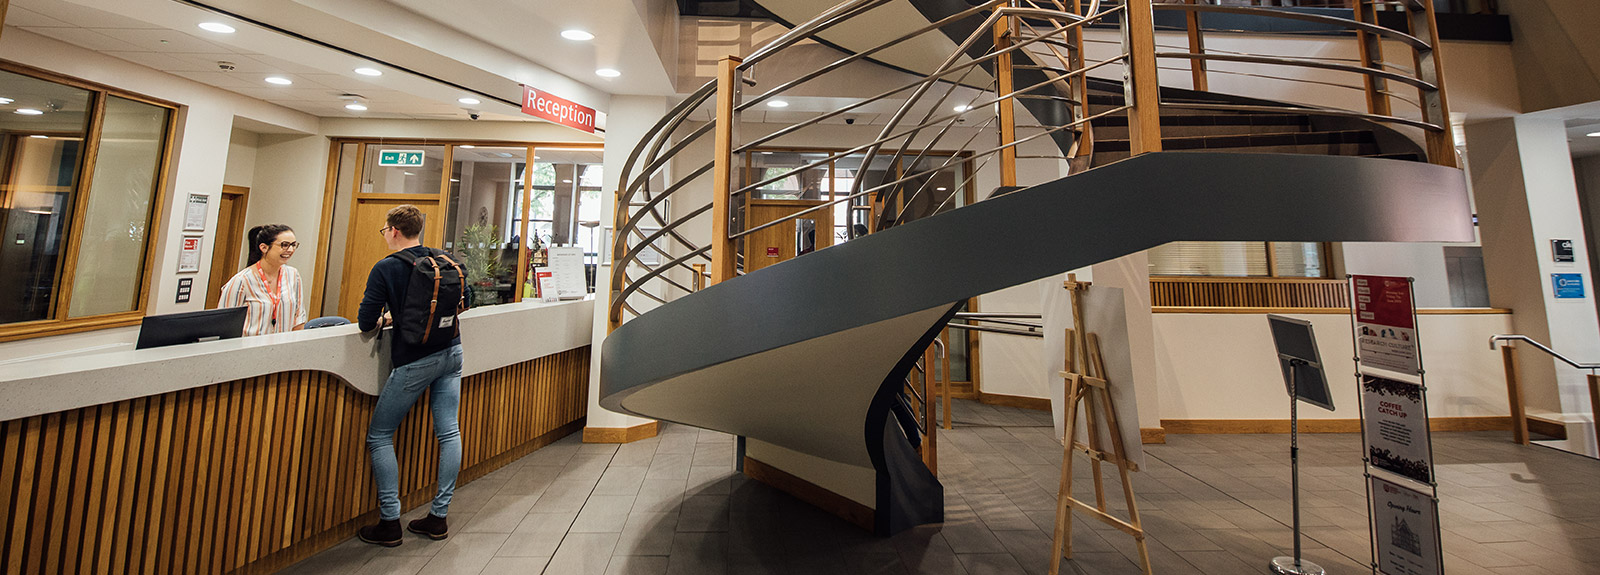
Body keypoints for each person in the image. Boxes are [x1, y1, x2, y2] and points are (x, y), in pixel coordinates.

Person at [357, 205, 464, 546]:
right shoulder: (442, 259)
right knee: (449, 433)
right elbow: (466, 299)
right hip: (452, 351)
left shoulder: (386, 268)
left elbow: (364, 320)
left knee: (380, 436)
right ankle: (438, 516)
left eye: (385, 230)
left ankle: (390, 522)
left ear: (393, 231)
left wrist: (390, 319)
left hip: (415, 359)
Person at [218, 224, 307, 335]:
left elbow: (298, 317)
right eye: (284, 245)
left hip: (283, 347)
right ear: (264, 247)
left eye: (293, 245)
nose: (290, 250)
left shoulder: (293, 275)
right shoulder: (241, 281)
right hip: (250, 348)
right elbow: (225, 325)